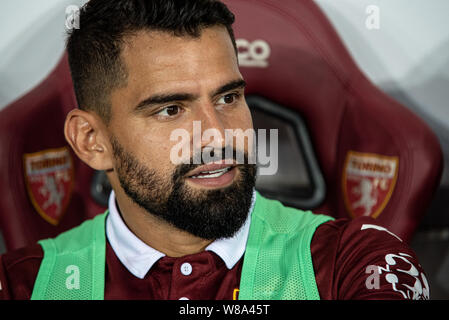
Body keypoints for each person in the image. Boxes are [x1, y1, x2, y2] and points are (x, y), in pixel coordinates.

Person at [0, 0, 429, 300]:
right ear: (92, 142)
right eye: (171, 109)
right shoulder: (22, 284)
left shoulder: (352, 262)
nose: (218, 135)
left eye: (227, 98)